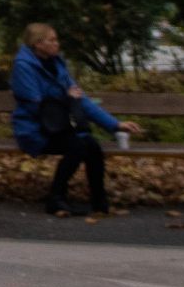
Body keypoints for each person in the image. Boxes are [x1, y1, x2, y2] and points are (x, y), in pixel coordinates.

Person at [10, 18, 127, 217]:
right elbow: (37, 105)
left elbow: (81, 100)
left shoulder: (57, 64)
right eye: (52, 40)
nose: (57, 44)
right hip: (35, 129)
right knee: (78, 145)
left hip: (58, 127)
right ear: (38, 44)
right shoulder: (23, 67)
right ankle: (55, 198)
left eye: (56, 40)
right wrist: (66, 98)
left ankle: (99, 202)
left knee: (91, 145)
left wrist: (115, 125)